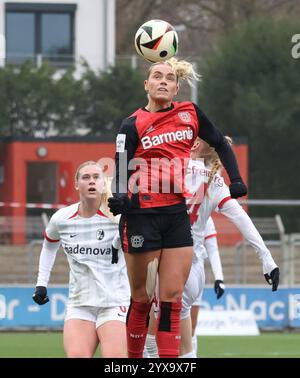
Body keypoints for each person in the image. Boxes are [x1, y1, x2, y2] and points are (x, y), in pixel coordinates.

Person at [108, 57, 247, 358]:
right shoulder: (130, 125)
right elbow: (120, 169)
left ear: (175, 87)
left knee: (171, 299)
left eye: (169, 78)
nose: (163, 81)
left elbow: (221, 143)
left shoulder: (191, 113)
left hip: (175, 215)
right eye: (156, 76)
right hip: (141, 215)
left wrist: (236, 179)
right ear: (146, 85)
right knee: (142, 298)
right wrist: (120, 196)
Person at [181, 136, 280, 357]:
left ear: (196, 144)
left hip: (168, 258)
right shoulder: (216, 182)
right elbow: (243, 220)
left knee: (150, 336)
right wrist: (267, 259)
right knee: (185, 342)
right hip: (193, 265)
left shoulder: (174, 166)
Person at [32, 161, 130, 358]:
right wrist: (41, 284)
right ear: (77, 185)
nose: (91, 181)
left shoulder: (118, 219)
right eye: (86, 177)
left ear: (104, 183)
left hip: (115, 302)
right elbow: (49, 246)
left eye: (96, 177)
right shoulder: (62, 218)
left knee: (115, 361)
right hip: (80, 304)